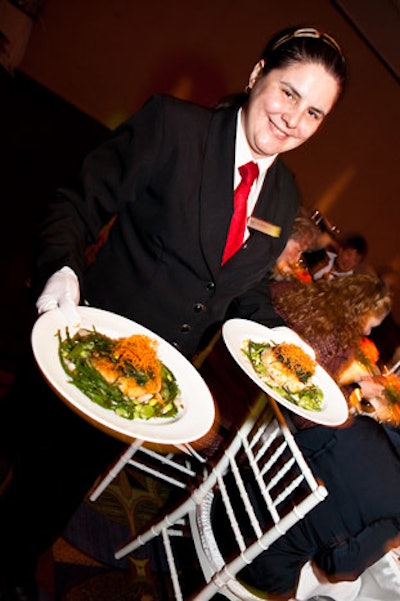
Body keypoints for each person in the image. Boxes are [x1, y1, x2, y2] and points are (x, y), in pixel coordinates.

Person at [0, 25, 347, 600]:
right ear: (258, 74)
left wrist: (285, 339)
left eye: (313, 112)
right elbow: (75, 205)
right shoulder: (174, 128)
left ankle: (15, 560)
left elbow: (245, 292)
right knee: (24, 443)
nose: (292, 119)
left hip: (153, 386)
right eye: (288, 92)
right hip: (85, 340)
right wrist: (62, 267)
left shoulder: (284, 196)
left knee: (60, 489)